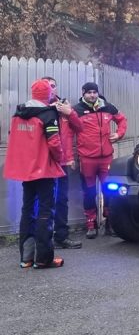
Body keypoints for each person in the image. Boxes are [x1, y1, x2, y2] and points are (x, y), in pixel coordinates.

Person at [3, 80, 65, 269]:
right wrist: (60, 158)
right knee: (46, 212)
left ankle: (26, 258)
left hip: (26, 170)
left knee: (27, 210)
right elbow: (54, 143)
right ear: (47, 94)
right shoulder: (48, 114)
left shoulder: (18, 113)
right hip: (44, 169)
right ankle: (43, 259)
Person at [73, 82, 127, 239]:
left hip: (106, 158)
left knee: (109, 190)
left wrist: (118, 134)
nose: (92, 95)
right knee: (89, 193)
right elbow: (69, 133)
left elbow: (122, 120)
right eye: (89, 92)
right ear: (83, 93)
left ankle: (110, 222)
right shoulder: (77, 111)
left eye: (94, 92)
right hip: (87, 159)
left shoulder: (107, 107)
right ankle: (91, 224)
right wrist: (70, 157)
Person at [42, 77, 83, 249]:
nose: (51, 89)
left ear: (56, 88)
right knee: (43, 201)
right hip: (44, 163)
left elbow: (79, 127)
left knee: (62, 199)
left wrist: (70, 112)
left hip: (63, 162)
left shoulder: (65, 107)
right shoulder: (37, 108)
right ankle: (42, 238)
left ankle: (61, 236)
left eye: (53, 86)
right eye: (46, 86)